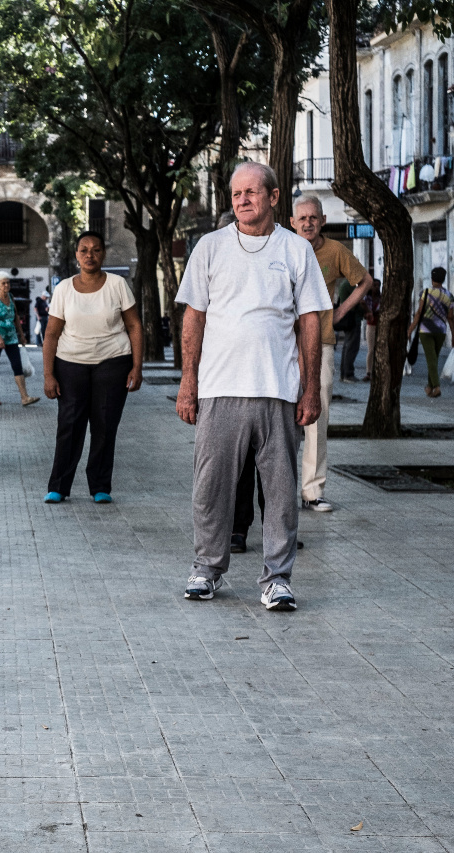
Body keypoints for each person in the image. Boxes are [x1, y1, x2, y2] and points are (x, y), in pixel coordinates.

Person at [174, 162, 330, 612]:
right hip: (219, 388)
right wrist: (189, 382)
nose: (242, 200)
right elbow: (194, 317)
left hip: (278, 389)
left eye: (252, 192)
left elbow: (310, 320)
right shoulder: (210, 247)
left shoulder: (295, 251)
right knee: (211, 486)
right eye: (236, 193)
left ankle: (277, 579)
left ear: (274, 197)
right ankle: (206, 568)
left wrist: (311, 389)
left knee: (280, 492)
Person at [41, 231, 142, 504]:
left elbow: (134, 326)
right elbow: (51, 334)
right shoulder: (63, 289)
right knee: (69, 425)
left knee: (105, 425)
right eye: (84, 250)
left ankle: (100, 486)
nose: (89, 255)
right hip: (70, 363)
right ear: (76, 255)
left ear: (103, 254)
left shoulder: (117, 285)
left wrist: (137, 367)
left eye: (95, 250)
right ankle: (59, 486)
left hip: (113, 362)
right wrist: (48, 374)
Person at [290, 196, 373, 513]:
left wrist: (340, 312)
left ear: (323, 220)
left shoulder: (335, 251)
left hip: (321, 342)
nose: (308, 222)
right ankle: (278, 491)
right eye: (302, 218)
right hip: (283, 343)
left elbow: (364, 281)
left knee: (317, 416)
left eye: (313, 217)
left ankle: (312, 491)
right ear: (293, 221)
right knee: (276, 418)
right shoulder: (283, 246)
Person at [0, 271, 39, 407]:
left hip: (11, 337)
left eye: (8, 282)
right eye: (3, 283)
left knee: (17, 365)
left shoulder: (11, 296)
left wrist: (22, 335)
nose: (6, 285)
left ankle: (25, 397)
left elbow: (15, 317)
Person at [408, 266, 454, 397]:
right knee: (433, 358)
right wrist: (453, 335)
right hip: (441, 331)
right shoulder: (449, 296)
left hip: (425, 330)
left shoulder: (425, 293)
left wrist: (410, 329)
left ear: (432, 278)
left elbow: (418, 313)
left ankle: (437, 386)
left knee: (431, 359)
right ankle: (429, 387)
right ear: (443, 279)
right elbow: (451, 317)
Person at [335, 277, 363, 381]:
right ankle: (348, 374)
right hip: (353, 318)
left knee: (347, 346)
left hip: (349, 318)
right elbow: (358, 300)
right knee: (351, 347)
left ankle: (344, 373)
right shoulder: (349, 284)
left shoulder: (344, 283)